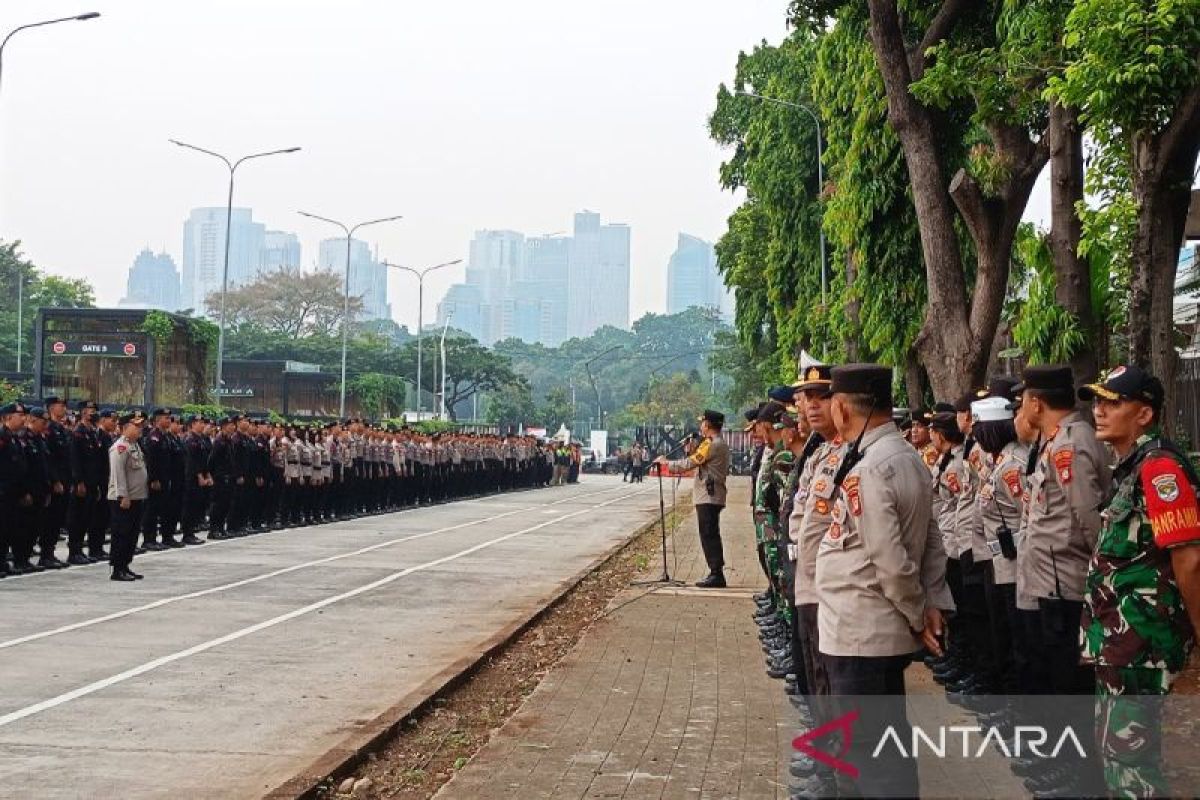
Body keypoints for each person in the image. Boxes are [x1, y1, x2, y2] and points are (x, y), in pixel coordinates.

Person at [814, 363, 949, 800]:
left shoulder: (873, 466)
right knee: (882, 746)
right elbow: (931, 540)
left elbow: (890, 559)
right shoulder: (906, 456)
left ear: (841, 408)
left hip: (862, 631)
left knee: (872, 753)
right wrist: (928, 603)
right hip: (870, 631)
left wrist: (917, 614)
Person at [1076, 365, 1200, 798]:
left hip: (1141, 642)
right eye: (1098, 401)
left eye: (1113, 402)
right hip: (1120, 642)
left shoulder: (1160, 470)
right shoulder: (1133, 467)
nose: (1100, 410)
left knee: (1131, 764)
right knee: (1117, 755)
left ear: (1144, 414)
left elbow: (1189, 559)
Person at [655, 409, 730, 588]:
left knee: (708, 534)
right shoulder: (714, 443)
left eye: (702, 423)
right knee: (710, 533)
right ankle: (715, 571)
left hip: (708, 496)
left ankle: (716, 573)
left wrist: (667, 463)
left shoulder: (712, 444)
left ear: (708, 425)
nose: (700, 426)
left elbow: (691, 462)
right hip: (710, 495)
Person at [107, 412, 148, 581]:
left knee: (132, 534)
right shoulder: (120, 447)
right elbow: (118, 474)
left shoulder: (135, 445)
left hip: (137, 497)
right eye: (136, 426)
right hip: (123, 499)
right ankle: (117, 569)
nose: (140, 429)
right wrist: (123, 495)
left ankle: (125, 565)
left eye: (140, 426)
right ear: (125, 428)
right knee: (121, 533)